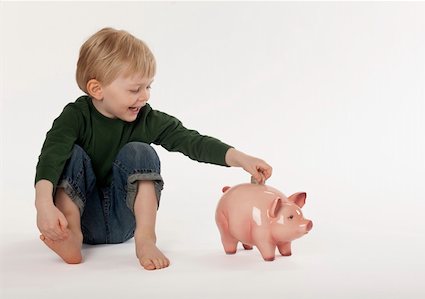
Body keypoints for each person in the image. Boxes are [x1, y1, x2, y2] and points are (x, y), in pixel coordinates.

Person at [34, 27, 272, 271]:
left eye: (149, 87)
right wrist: (43, 205)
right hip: (83, 219)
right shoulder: (75, 116)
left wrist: (241, 158)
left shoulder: (146, 119)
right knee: (69, 154)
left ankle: (146, 240)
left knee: (141, 151)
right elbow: (50, 158)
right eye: (135, 89)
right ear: (97, 89)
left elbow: (191, 141)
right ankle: (70, 238)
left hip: (123, 220)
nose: (145, 96)